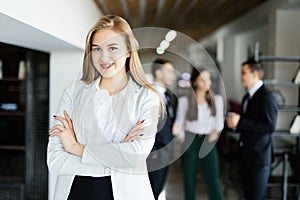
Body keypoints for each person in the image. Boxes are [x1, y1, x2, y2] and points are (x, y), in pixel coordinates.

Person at [47, 15, 165, 200]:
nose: (104, 57)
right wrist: (116, 157)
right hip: (75, 192)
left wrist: (75, 147)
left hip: (124, 193)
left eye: (113, 48)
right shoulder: (73, 92)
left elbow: (135, 156)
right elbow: (55, 161)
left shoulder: (146, 97)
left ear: (128, 51)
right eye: (97, 49)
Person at [226, 59, 278, 200]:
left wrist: (241, 121)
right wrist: (235, 125)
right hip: (246, 155)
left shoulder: (267, 97)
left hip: (259, 158)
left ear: (255, 74)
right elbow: (249, 124)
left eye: (243, 72)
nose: (240, 76)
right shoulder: (247, 97)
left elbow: (270, 126)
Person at [174, 67, 224, 200]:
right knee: (189, 179)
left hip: (208, 139)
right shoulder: (185, 100)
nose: (206, 82)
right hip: (190, 139)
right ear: (195, 82)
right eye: (202, 79)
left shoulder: (217, 100)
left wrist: (215, 133)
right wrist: (182, 138)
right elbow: (179, 122)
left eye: (208, 79)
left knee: (213, 178)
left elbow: (219, 122)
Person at [146, 59, 178, 199]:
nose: (173, 76)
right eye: (169, 72)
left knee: (157, 191)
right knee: (150, 192)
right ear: (158, 72)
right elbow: (146, 125)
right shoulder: (149, 95)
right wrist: (153, 151)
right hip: (155, 154)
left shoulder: (167, 95)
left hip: (165, 153)